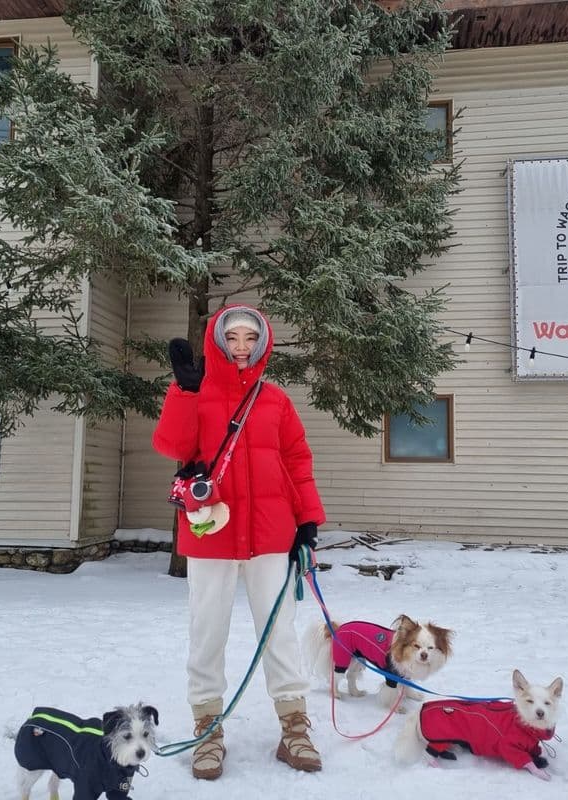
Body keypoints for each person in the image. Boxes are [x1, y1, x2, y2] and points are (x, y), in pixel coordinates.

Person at [152, 304, 325, 779]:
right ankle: (208, 729)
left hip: (272, 534)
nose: (243, 346)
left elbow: (297, 460)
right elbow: (172, 447)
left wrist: (307, 519)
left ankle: (294, 727)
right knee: (207, 631)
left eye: (251, 337)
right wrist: (185, 393)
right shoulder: (196, 393)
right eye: (234, 338)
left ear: (263, 343)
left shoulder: (275, 400)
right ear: (218, 341)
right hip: (211, 533)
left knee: (279, 631)